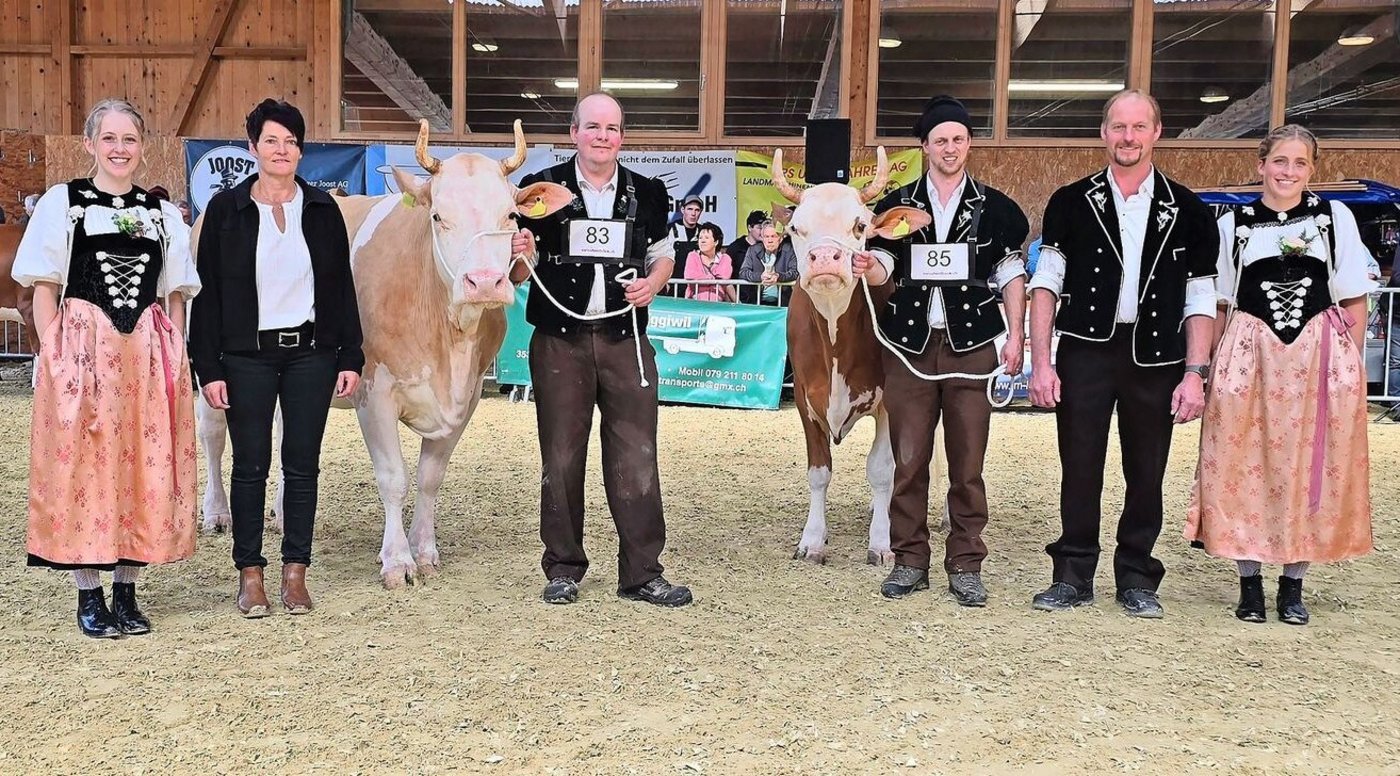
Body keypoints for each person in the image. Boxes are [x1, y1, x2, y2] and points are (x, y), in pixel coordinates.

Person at [11, 98, 201, 638]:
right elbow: (44, 287)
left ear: (143, 147)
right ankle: (89, 594)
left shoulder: (160, 214)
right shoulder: (64, 203)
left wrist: (176, 348)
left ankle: (127, 590)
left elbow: (176, 293)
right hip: (84, 349)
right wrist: (54, 352)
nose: (120, 149)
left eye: (130, 139)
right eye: (110, 138)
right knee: (87, 468)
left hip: (143, 353)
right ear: (90, 144)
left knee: (142, 463)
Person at [1027, 89, 1219, 618]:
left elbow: (1201, 296)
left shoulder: (1190, 209)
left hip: (1156, 356)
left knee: (1147, 469)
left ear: (1157, 133)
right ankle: (1072, 574)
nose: (1128, 137)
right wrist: (1040, 361)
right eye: (1118, 127)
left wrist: (1195, 373)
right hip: (1086, 350)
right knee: (1080, 465)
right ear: (1104, 132)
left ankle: (1137, 576)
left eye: (1139, 127)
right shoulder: (1071, 200)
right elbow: (1047, 281)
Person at [1184, 125, 1375, 625]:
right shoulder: (1235, 224)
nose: (1288, 172)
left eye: (1299, 163)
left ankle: (1293, 584)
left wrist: (1350, 368)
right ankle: (1249, 582)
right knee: (1242, 460)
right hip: (1250, 353)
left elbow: (1353, 294)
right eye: (1279, 161)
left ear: (1312, 169)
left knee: (1307, 466)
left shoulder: (1335, 218)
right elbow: (1219, 300)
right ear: (1261, 164)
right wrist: (1206, 370)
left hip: (1316, 355)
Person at [510, 91, 692, 607]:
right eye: (592, 127)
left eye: (611, 128)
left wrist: (653, 285)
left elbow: (663, 257)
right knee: (561, 456)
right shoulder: (539, 191)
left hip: (626, 339)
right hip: (559, 342)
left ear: (622, 137)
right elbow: (520, 272)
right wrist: (521, 253)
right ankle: (564, 567)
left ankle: (642, 573)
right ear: (573, 133)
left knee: (637, 455)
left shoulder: (649, 193)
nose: (602, 136)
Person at [188, 99, 363, 619]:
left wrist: (350, 355)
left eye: (290, 142)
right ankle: (250, 574)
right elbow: (208, 296)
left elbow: (341, 288)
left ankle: (295, 573)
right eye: (271, 140)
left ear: (301, 151)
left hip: (311, 354)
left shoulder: (323, 209)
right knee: (250, 466)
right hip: (246, 356)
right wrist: (209, 368)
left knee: (302, 466)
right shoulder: (225, 211)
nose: (281, 150)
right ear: (253, 148)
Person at [865, 95, 1029, 606]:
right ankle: (910, 559)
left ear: (969, 145)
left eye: (958, 139)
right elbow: (884, 267)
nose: (950, 148)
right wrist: (863, 266)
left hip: (972, 344)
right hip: (910, 347)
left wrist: (1017, 334)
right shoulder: (896, 207)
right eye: (941, 140)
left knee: (967, 462)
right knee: (908, 460)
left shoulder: (997, 208)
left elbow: (1010, 274)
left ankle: (965, 562)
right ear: (925, 146)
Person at [738, 220, 798, 306]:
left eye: (773, 236)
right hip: (757, 302)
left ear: (780, 239)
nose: (770, 240)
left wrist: (778, 276)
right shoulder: (753, 250)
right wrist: (760, 276)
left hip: (783, 303)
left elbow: (795, 273)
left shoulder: (788, 250)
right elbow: (743, 272)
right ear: (762, 238)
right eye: (766, 237)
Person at [682, 222, 735, 302]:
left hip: (718, 305)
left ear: (716, 242)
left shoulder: (725, 258)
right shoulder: (693, 256)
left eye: (706, 238)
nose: (702, 241)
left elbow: (724, 276)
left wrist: (702, 277)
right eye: (700, 238)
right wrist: (711, 278)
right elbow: (690, 275)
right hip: (694, 304)